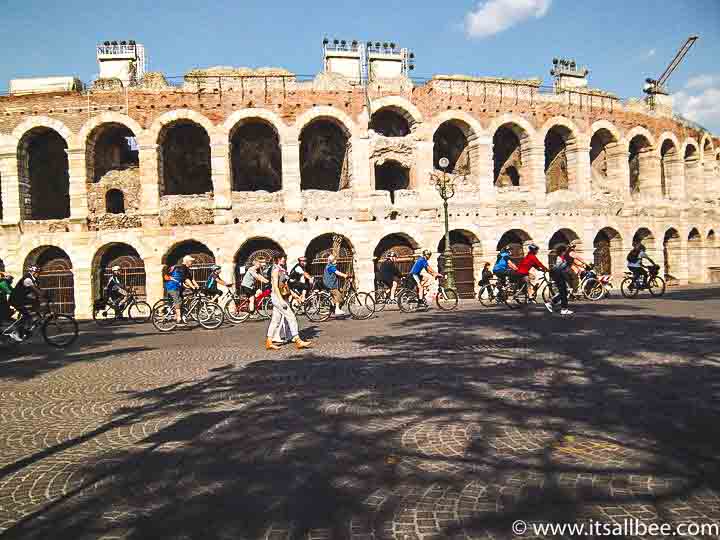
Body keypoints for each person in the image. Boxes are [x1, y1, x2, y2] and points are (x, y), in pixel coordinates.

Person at [265, 254, 311, 350]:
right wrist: (281, 300)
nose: (284, 260)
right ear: (278, 260)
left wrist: (295, 295)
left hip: (282, 297)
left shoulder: (282, 270)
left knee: (275, 320)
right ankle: (298, 340)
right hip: (278, 297)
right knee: (291, 317)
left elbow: (286, 286)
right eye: (282, 259)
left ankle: (269, 342)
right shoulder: (275, 271)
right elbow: (275, 287)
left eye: (284, 258)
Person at [7, 265, 44, 342]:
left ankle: (25, 330)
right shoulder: (28, 279)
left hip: (21, 299)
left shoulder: (33, 279)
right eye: (37, 272)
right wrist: (45, 296)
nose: (39, 274)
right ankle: (15, 333)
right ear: (33, 272)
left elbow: (36, 291)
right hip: (16, 300)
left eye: (39, 272)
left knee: (34, 308)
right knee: (27, 315)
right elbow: (36, 291)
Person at [165, 256, 200, 326]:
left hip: (179, 287)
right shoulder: (182, 268)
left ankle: (179, 314)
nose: (192, 263)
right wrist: (193, 287)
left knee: (182, 301)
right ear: (187, 261)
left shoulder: (186, 269)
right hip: (172, 286)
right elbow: (186, 279)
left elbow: (191, 279)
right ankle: (178, 319)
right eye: (191, 262)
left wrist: (197, 286)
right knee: (178, 301)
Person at [546, 244, 574, 316]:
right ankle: (563, 309)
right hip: (559, 277)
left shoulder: (560, 257)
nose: (565, 252)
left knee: (563, 292)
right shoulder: (559, 258)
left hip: (559, 277)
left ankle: (552, 303)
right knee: (563, 293)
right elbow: (560, 269)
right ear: (562, 251)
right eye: (564, 251)